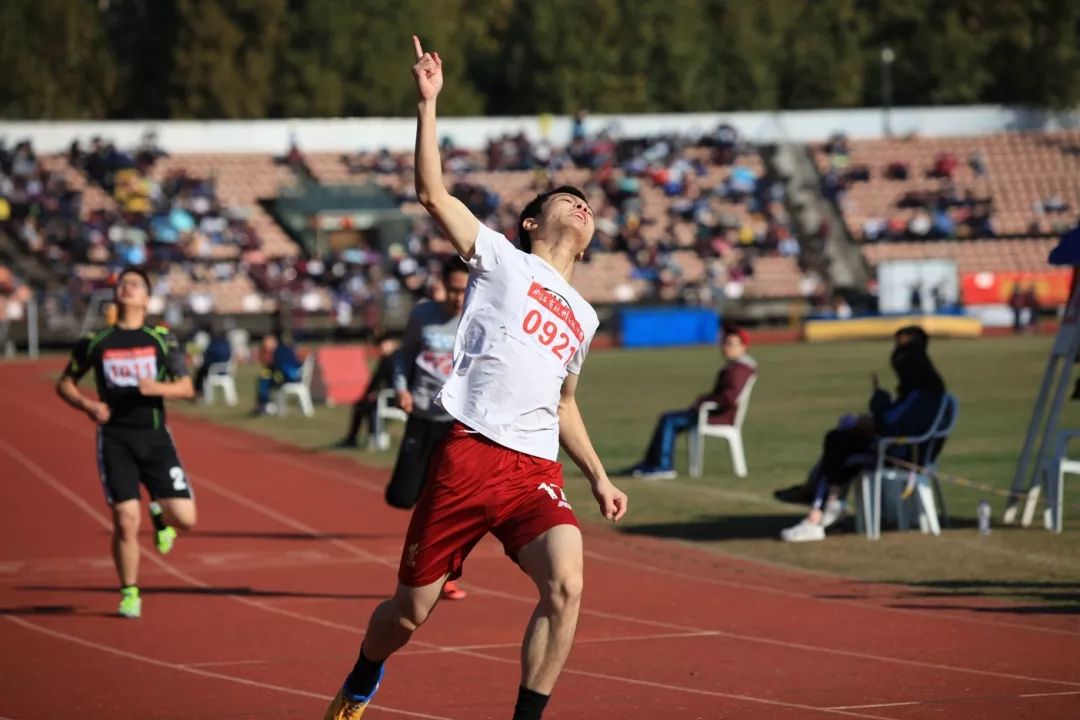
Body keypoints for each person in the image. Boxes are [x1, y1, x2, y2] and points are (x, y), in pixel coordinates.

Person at [324, 36, 628, 720]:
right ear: (531, 220)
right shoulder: (500, 257)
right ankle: (365, 673)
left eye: (588, 205)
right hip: (468, 456)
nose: (582, 205)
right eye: (567, 198)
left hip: (532, 470)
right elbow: (431, 192)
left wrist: (599, 476)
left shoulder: (583, 314)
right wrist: (428, 104)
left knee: (568, 585)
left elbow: (565, 404)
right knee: (409, 613)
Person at [55, 267, 197, 618]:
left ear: (147, 298)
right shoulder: (96, 341)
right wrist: (88, 405)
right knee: (124, 518)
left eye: (136, 284)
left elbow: (187, 387)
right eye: (123, 284)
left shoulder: (162, 339)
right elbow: (65, 383)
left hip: (155, 437)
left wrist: (157, 388)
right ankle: (130, 591)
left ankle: (161, 517)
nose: (127, 287)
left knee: (186, 518)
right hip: (115, 438)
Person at [777, 326, 946, 542]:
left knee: (838, 443)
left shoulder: (920, 392)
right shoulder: (925, 387)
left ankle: (818, 513)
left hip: (899, 454)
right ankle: (823, 499)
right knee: (840, 442)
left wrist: (878, 401)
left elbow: (890, 425)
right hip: (903, 448)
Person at [382, 257, 470, 601]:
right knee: (404, 497)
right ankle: (426, 559)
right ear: (441, 286)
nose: (458, 298)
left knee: (447, 502)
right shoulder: (422, 316)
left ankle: (443, 574)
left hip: (458, 421)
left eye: (464, 291)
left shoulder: (480, 316)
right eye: (452, 290)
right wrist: (401, 388)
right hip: (421, 414)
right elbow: (404, 356)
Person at [623, 325, 757, 480]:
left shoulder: (739, 369)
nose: (725, 347)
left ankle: (663, 466)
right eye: (724, 343)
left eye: (731, 344)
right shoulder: (736, 367)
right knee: (668, 418)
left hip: (717, 415)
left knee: (669, 421)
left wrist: (703, 401)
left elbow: (729, 398)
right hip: (712, 412)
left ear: (743, 347)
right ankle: (651, 463)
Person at [335, 332, 402, 449]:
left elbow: (378, 381)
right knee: (364, 405)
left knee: (369, 406)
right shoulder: (392, 358)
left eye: (383, 344)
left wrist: (370, 394)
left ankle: (370, 437)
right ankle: (360, 437)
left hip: (394, 397)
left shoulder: (393, 359)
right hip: (389, 396)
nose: (380, 348)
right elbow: (376, 381)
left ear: (391, 344)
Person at [253, 332, 304, 415]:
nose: (265, 345)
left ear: (274, 342)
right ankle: (264, 404)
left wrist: (267, 361)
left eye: (267, 343)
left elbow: (277, 367)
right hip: (293, 375)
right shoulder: (283, 349)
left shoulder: (279, 352)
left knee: (264, 380)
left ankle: (265, 405)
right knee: (264, 378)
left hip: (290, 377)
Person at [192, 320, 232, 396]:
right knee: (201, 371)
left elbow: (208, 357)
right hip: (226, 368)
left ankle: (198, 392)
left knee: (201, 372)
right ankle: (199, 391)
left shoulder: (213, 343)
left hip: (215, 369)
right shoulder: (224, 342)